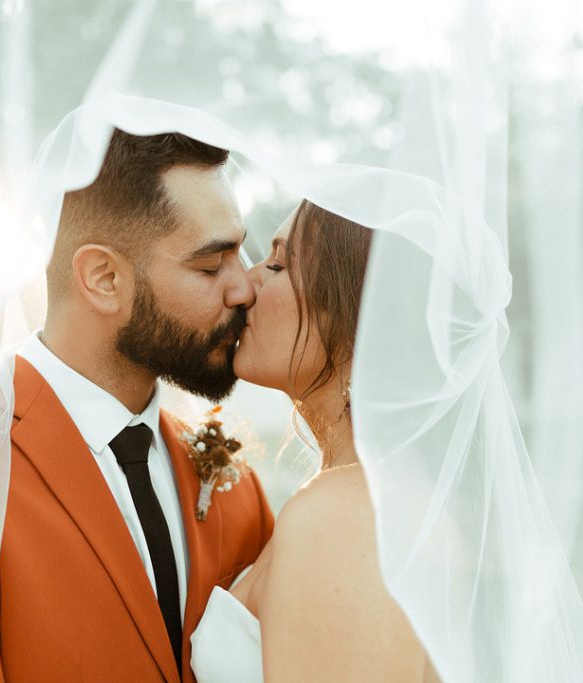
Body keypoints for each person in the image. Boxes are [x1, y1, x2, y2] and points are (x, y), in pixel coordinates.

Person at [0, 129, 275, 682]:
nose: (244, 288)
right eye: (209, 264)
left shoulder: (234, 484)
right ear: (104, 278)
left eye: (240, 253)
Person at [190, 201, 440, 682]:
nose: (245, 285)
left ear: (356, 319)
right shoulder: (380, 495)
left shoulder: (342, 516)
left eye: (279, 265)